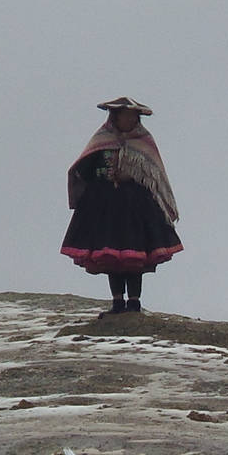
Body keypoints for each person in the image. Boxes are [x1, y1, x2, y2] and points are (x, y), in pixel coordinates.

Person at [61, 97, 182, 315]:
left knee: (134, 255)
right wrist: (103, 175)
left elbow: (154, 174)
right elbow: (84, 169)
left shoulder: (144, 142)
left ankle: (134, 302)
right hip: (104, 205)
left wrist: (131, 176)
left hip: (135, 206)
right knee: (110, 255)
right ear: (114, 117)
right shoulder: (101, 141)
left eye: (132, 117)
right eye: (125, 116)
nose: (129, 120)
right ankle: (117, 302)